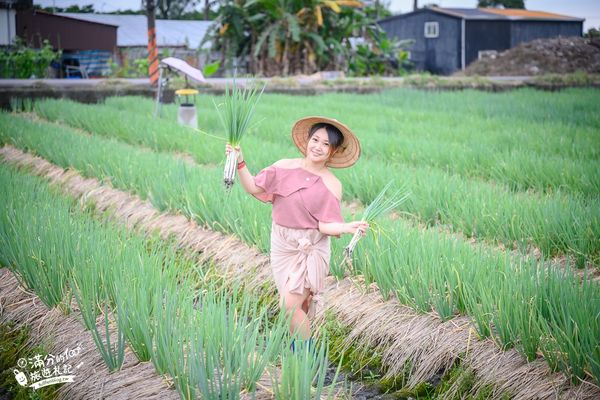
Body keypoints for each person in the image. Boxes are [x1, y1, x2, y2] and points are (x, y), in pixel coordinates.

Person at [225, 116, 368, 344]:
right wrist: (240, 161)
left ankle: (306, 359)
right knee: (295, 306)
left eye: (326, 144)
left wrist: (346, 226)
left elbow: (324, 225)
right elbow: (252, 186)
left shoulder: (332, 184)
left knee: (288, 305)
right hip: (282, 245)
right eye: (315, 139)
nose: (318, 147)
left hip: (310, 247)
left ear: (333, 151)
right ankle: (297, 360)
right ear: (307, 141)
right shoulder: (283, 166)